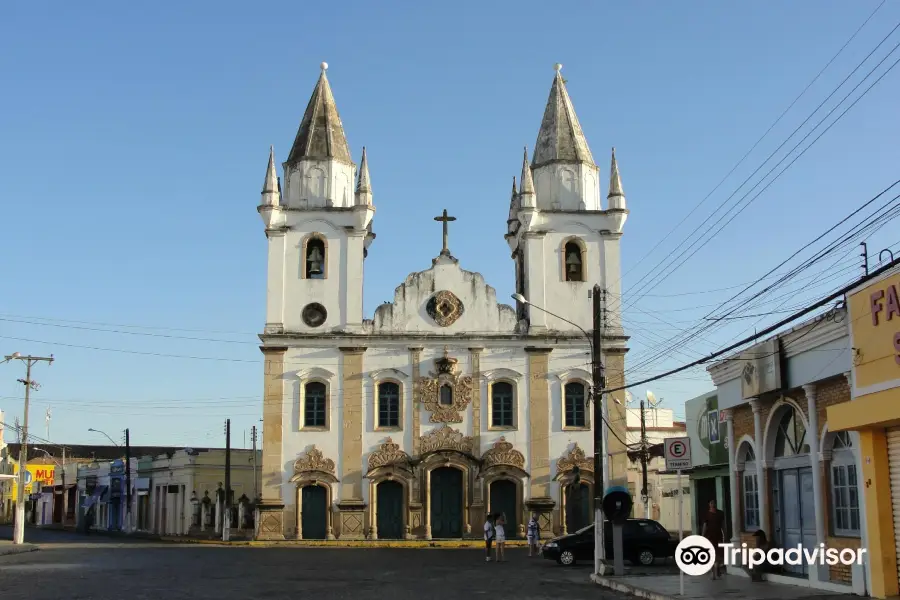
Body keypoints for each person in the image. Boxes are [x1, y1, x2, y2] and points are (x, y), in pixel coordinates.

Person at [701, 499, 726, 579]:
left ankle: (717, 568)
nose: (713, 504)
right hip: (710, 536)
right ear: (709, 504)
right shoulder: (707, 514)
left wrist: (725, 534)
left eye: (714, 503)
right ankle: (714, 573)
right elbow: (705, 525)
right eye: (711, 503)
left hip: (718, 535)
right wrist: (703, 535)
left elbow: (723, 525)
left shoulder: (720, 513)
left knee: (718, 553)